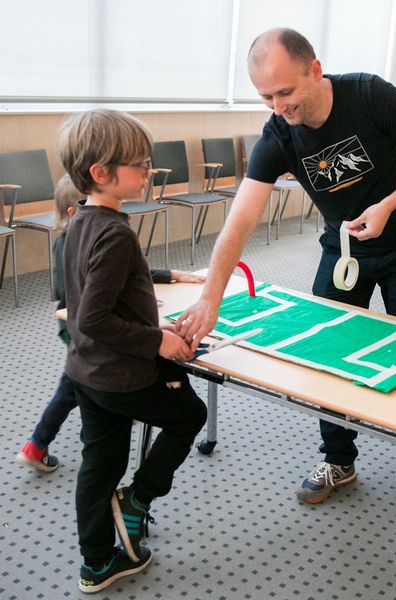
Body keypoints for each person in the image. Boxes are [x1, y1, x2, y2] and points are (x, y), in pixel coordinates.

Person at [174, 28, 396, 505]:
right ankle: (339, 458)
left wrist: (388, 204)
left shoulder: (370, 95)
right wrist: (210, 298)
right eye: (266, 96)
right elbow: (238, 223)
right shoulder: (279, 134)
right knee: (328, 352)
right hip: (344, 249)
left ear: (315, 70)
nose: (278, 105)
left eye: (286, 92)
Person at [58, 109, 208, 593]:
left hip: (86, 372)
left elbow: (104, 295)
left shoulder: (81, 220)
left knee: (98, 466)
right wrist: (159, 338)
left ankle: (96, 563)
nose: (148, 171)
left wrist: (155, 304)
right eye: (139, 165)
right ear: (101, 173)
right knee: (189, 414)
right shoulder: (116, 231)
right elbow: (95, 318)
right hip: (120, 375)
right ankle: (139, 499)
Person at [15, 175, 204, 474]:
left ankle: (44, 443)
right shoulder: (75, 241)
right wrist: (123, 301)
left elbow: (126, 272)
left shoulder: (86, 235)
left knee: (78, 389)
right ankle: (38, 443)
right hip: (79, 331)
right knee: (73, 389)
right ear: (74, 212)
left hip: (85, 329)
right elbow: (81, 301)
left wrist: (169, 275)